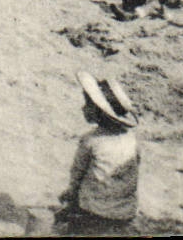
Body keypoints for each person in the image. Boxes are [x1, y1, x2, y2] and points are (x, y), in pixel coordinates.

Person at [56, 74, 139, 236]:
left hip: (94, 212)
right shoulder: (132, 140)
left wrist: (70, 197)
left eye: (88, 104)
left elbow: (77, 176)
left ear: (100, 112)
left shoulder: (91, 140)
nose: (83, 108)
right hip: (126, 212)